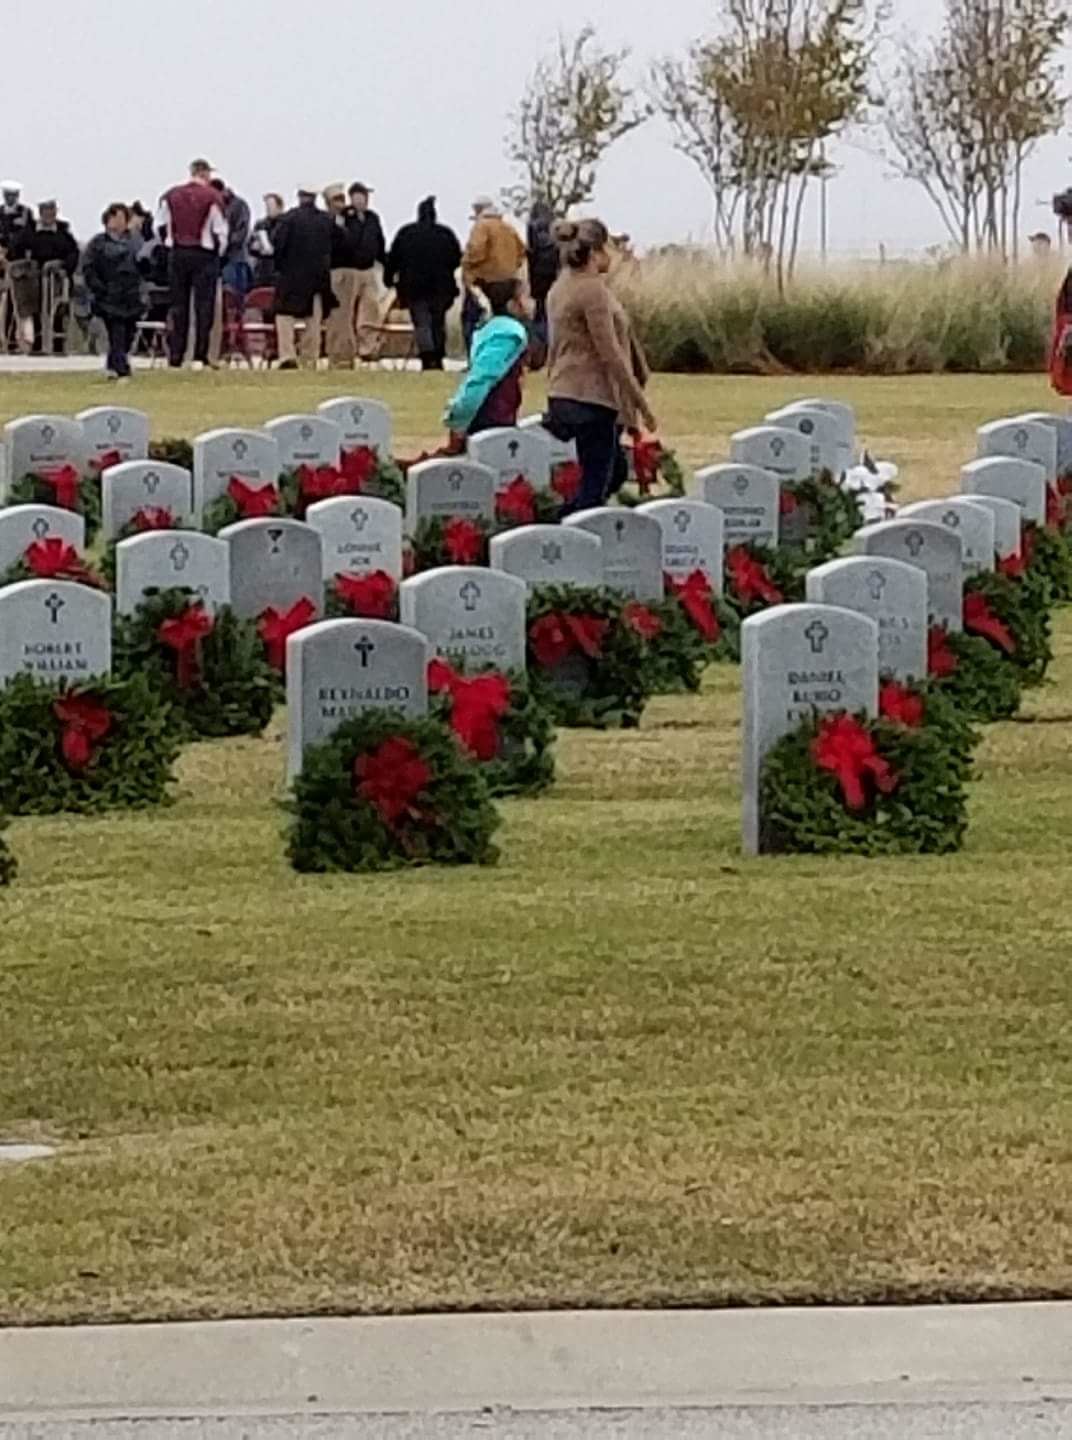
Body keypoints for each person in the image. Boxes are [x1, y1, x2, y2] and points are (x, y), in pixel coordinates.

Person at [544, 218, 657, 514]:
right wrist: (641, 405)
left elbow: (554, 348)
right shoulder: (591, 290)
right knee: (595, 488)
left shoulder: (559, 287)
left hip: (564, 393)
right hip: (591, 397)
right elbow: (611, 353)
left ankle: (561, 521)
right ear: (595, 252)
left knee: (615, 471)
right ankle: (559, 530)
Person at [156, 157, 227, 370]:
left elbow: (159, 226)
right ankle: (200, 355)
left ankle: (176, 355)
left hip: (178, 252)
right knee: (203, 307)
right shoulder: (213, 197)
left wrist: (169, 245)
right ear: (205, 173)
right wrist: (218, 253)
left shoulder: (171, 195)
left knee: (179, 306)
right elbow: (220, 231)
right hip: (203, 254)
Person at [444, 279, 531, 438]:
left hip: (494, 415)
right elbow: (483, 376)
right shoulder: (507, 334)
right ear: (512, 304)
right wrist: (460, 416)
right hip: (492, 418)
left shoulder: (492, 330)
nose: (531, 303)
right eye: (527, 297)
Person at [384, 197, 462, 370]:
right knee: (438, 322)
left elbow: (393, 259)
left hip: (414, 288)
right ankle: (438, 355)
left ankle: (428, 357)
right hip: (441, 288)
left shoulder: (406, 233)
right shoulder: (445, 234)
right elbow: (457, 259)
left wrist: (388, 279)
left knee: (422, 322)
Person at [272, 184, 336, 370]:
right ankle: (310, 357)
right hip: (317, 277)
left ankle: (287, 355)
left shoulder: (288, 219)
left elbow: (278, 245)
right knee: (313, 320)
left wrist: (280, 267)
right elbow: (340, 242)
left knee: (284, 316)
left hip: (290, 276)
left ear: (299, 196)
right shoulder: (325, 220)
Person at [82, 203, 144, 381]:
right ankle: (121, 368)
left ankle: (113, 365)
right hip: (109, 297)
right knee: (116, 333)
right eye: (117, 218)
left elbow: (143, 262)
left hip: (131, 296)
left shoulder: (134, 241)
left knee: (128, 334)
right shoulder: (98, 243)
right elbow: (89, 268)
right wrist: (98, 288)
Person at [461, 195, 526, 356]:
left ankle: (476, 357)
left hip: (484, 281)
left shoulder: (481, 227)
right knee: (503, 322)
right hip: (508, 282)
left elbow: (476, 251)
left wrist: (466, 263)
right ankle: (504, 355)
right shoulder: (508, 228)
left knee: (472, 320)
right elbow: (522, 251)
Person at [526, 199, 559, 363]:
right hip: (554, 276)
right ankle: (551, 351)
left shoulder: (532, 227)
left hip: (538, 277)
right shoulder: (556, 228)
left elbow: (531, 253)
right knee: (551, 315)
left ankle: (539, 351)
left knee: (539, 315)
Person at [211, 179, 253, 297]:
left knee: (235, 296)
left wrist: (224, 244)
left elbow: (241, 233)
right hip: (215, 259)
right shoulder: (215, 205)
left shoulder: (239, 205)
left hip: (234, 258)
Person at [251, 193, 285, 287]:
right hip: (261, 269)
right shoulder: (260, 224)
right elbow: (250, 245)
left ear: (279, 207)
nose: (268, 209)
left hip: (277, 270)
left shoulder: (286, 225)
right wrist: (254, 246)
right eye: (267, 206)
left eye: (271, 206)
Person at [0, 182, 32, 254]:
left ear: (17, 195)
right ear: (4, 195)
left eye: (13, 195)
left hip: (20, 253)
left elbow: (30, 234)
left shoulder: (25, 212)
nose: (10, 198)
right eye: (7, 195)